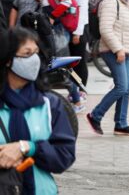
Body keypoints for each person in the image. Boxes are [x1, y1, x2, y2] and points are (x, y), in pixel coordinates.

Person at [0, 27, 75, 194]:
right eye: (27, 54)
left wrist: (29, 147)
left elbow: (64, 156)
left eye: (36, 53)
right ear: (7, 60)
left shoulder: (50, 104)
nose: (34, 60)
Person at [86, 0, 129, 136]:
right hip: (113, 51)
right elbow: (106, 29)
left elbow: (124, 30)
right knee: (121, 86)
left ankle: (121, 124)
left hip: (125, 51)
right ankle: (96, 115)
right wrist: (118, 49)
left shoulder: (124, 3)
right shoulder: (111, 2)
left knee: (127, 88)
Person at [32, 0, 84, 113]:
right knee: (57, 64)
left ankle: (77, 100)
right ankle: (75, 98)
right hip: (53, 30)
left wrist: (52, 17)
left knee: (60, 65)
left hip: (58, 31)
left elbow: (66, 2)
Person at [66, 0, 89, 98]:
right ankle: (74, 90)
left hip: (78, 30)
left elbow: (82, 11)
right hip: (70, 27)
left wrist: (77, 33)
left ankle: (81, 89)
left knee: (79, 62)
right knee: (71, 63)